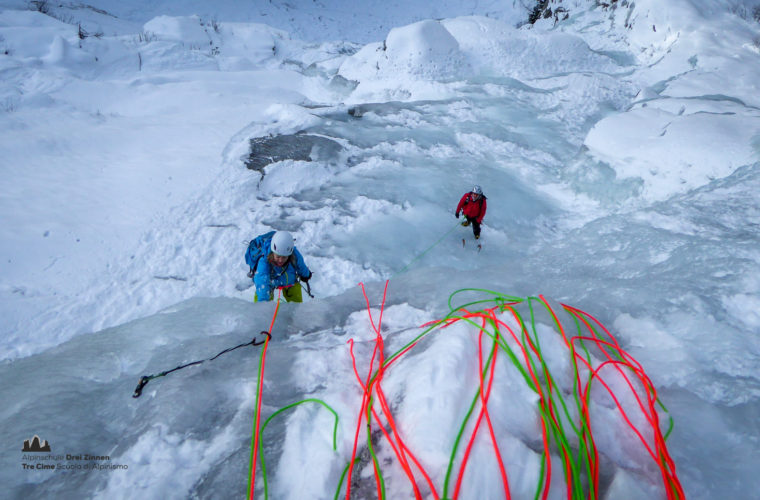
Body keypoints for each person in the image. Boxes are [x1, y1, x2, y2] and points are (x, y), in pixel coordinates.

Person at [253, 231, 312, 303]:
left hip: (289, 281)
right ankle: (258, 310)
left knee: (295, 291)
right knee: (262, 295)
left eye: (284, 257)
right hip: (270, 282)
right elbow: (262, 282)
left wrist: (306, 275)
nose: (280, 260)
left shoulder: (295, 255)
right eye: (278, 256)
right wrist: (263, 305)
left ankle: (296, 310)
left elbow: (301, 266)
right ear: (273, 252)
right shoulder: (264, 261)